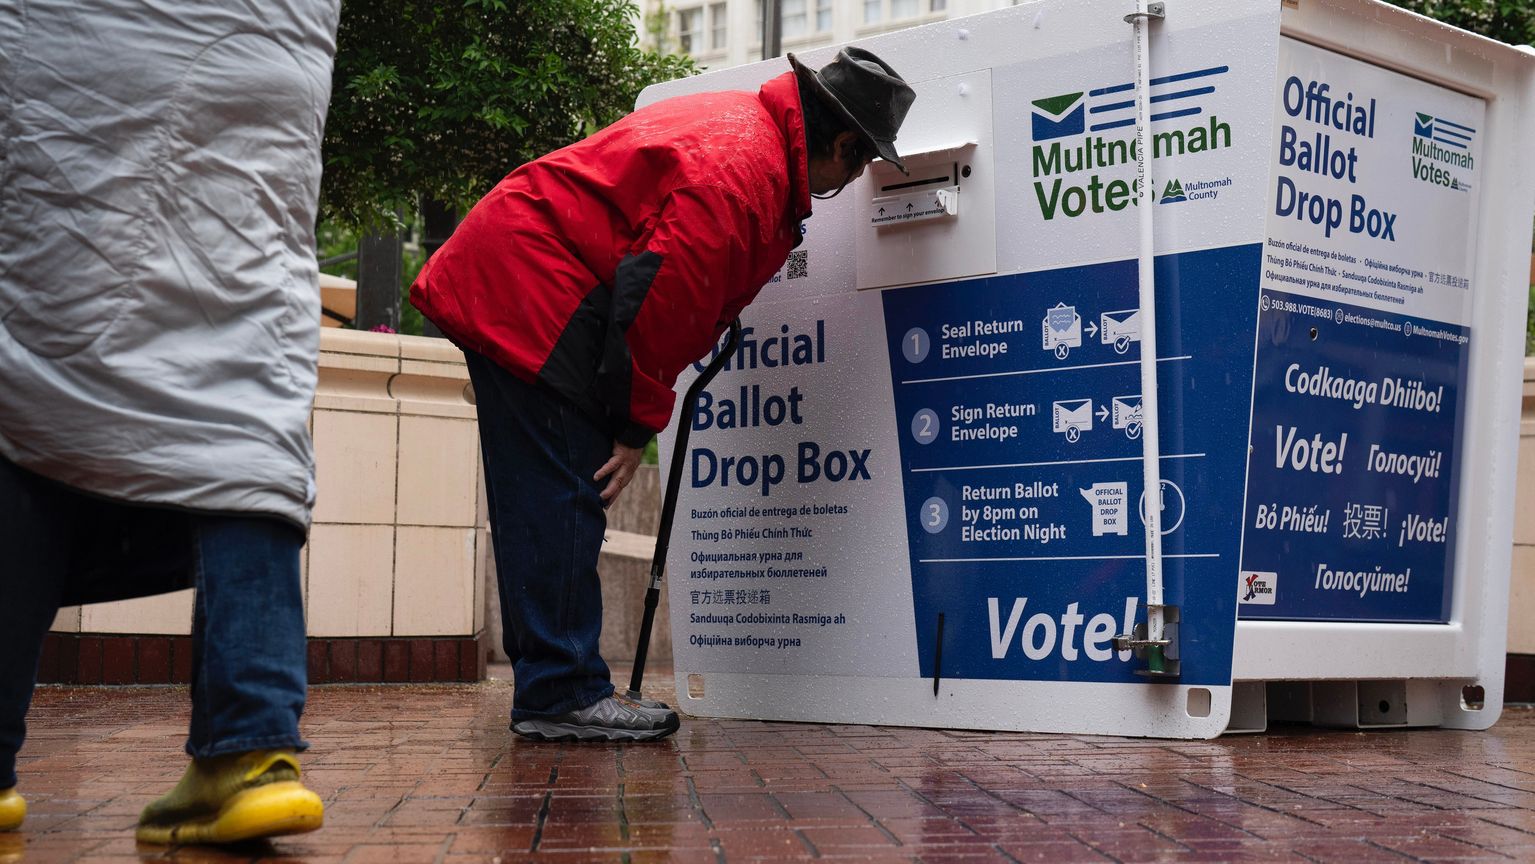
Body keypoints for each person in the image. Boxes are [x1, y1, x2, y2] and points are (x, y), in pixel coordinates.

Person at [411, 48, 915, 742]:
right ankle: (562, 694)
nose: (849, 182)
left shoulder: (745, 133)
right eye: (858, 166)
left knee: (545, 497)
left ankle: (551, 686)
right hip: (536, 291)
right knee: (565, 492)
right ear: (842, 145)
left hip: (526, 277)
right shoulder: (744, 171)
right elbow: (662, 304)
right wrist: (633, 425)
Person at [0, 1, 340, 845]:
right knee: (244, 402)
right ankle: (251, 754)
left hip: (79, 55)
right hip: (266, 60)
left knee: (30, 388)